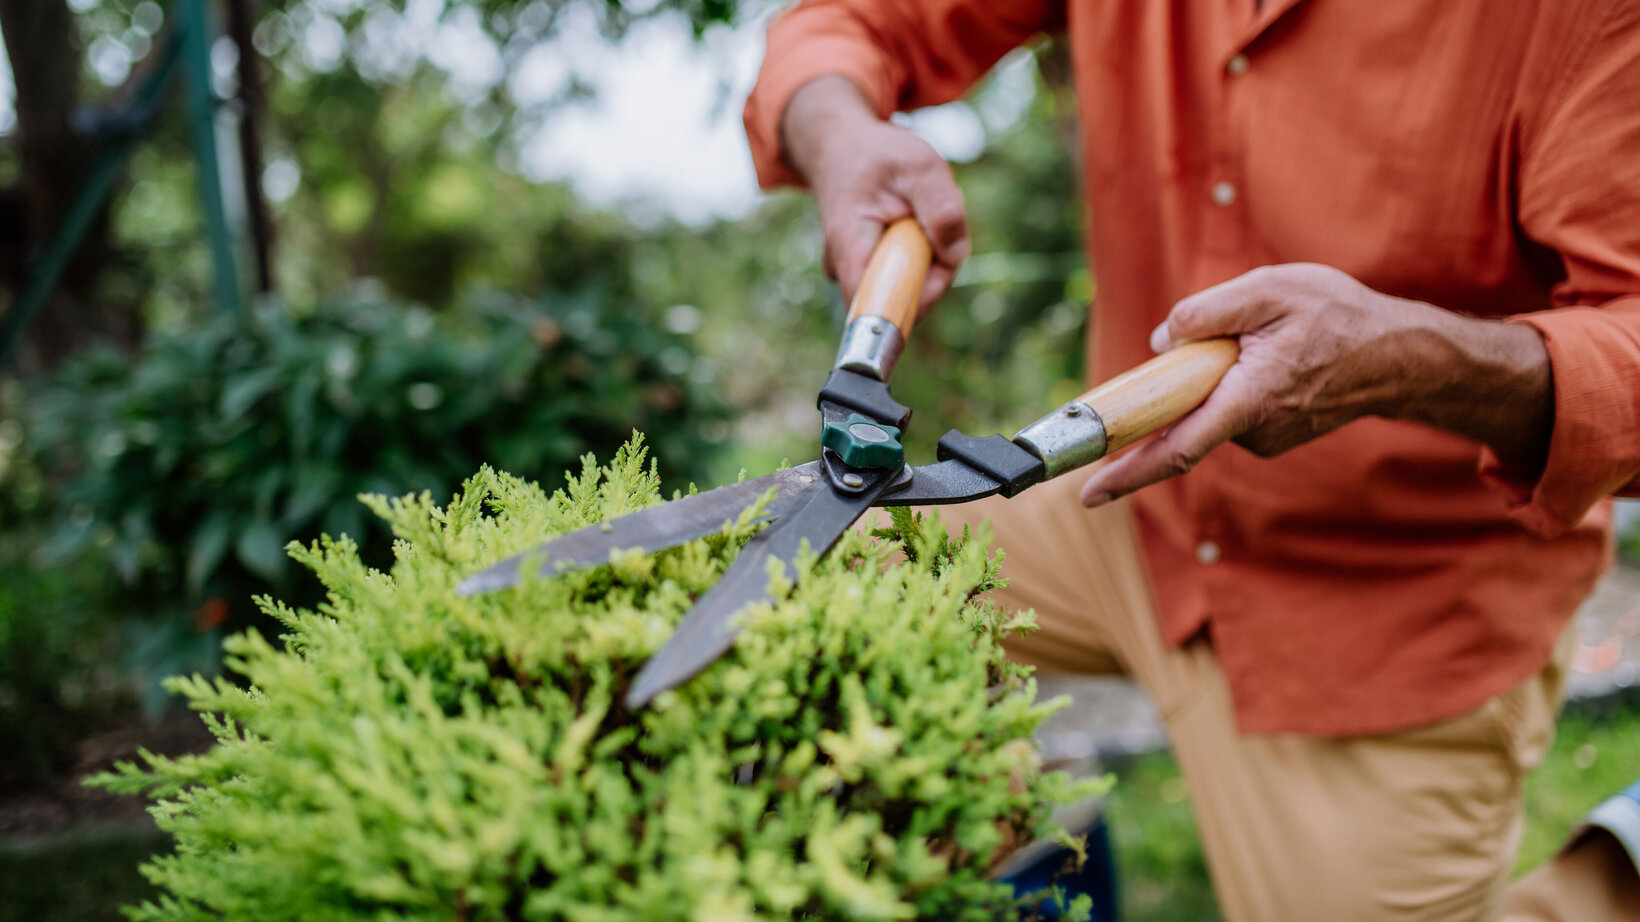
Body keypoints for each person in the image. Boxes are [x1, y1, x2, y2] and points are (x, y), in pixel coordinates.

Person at [741, 1, 1640, 920]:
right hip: (1118, 511)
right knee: (785, 598)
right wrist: (840, 129)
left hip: (1389, 604)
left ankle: (1621, 870)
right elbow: (853, 23)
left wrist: (1407, 359)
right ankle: (1028, 841)